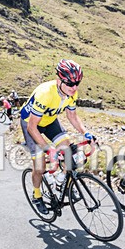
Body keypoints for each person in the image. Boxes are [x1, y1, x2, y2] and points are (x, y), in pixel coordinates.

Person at [19, 59, 95, 215]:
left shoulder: (71, 92)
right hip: (31, 124)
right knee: (40, 166)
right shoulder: (45, 93)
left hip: (50, 121)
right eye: (70, 84)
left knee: (67, 150)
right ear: (59, 79)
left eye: (77, 83)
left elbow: (72, 116)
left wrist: (85, 133)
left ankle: (61, 183)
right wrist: (48, 150)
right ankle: (37, 195)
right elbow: (33, 128)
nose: (74, 88)